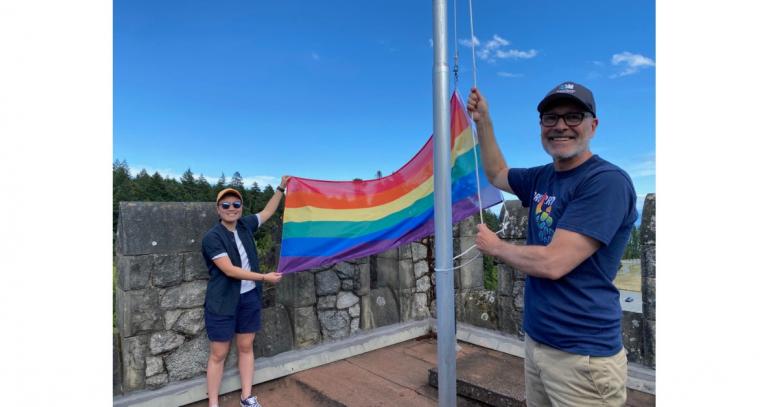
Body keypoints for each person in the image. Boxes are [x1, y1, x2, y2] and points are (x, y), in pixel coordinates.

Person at [468, 82, 637, 406]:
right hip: (539, 343)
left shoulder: (605, 182)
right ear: (541, 127)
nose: (560, 125)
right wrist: (483, 120)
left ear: (593, 125)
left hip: (583, 358)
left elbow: (553, 263)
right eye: (550, 118)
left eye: (573, 116)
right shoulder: (543, 177)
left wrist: (497, 246)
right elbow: (497, 172)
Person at [201, 177, 290, 407]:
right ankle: (213, 403)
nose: (231, 209)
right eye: (226, 205)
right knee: (218, 354)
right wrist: (264, 277)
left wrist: (281, 187)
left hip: (249, 298)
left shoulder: (245, 225)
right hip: (222, 302)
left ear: (241, 208)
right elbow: (229, 270)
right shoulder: (212, 238)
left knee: (246, 346)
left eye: (236, 204)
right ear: (218, 209)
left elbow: (268, 211)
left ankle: (246, 398)